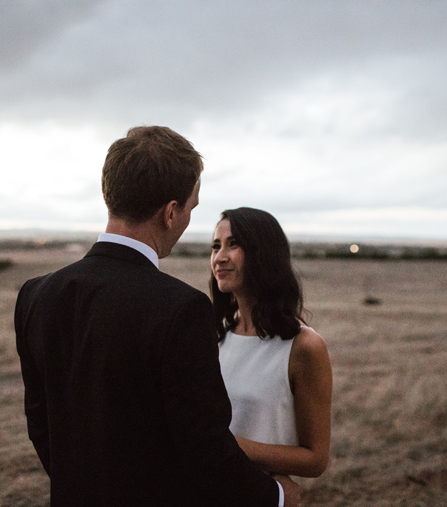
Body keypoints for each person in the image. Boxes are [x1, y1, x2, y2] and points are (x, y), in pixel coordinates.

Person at [15, 127, 300, 507]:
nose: (186, 222)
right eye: (190, 209)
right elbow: (205, 449)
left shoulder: (36, 295)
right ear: (170, 212)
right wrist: (277, 497)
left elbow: (41, 424)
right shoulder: (180, 309)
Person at [211, 207, 332, 478]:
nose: (220, 257)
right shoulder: (214, 335)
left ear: (263, 253)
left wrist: (224, 446)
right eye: (215, 246)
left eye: (233, 244)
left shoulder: (303, 346)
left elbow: (315, 459)